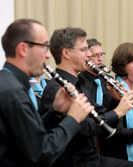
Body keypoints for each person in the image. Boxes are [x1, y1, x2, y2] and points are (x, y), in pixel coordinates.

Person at [41, 27, 133, 167]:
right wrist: (118, 111)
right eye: (83, 50)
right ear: (66, 53)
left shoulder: (78, 85)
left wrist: (115, 100)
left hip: (92, 159)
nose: (88, 55)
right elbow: (84, 128)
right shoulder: (57, 89)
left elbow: (100, 115)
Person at [0, 19, 93, 166]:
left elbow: (28, 138)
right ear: (23, 49)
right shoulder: (13, 93)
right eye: (44, 46)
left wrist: (55, 112)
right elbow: (41, 154)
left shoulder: (8, 83)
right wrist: (73, 119)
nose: (49, 55)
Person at [78, 38, 116, 109]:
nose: (100, 59)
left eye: (101, 54)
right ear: (87, 57)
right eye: (95, 55)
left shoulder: (109, 80)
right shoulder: (79, 81)